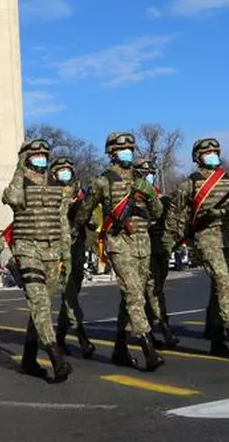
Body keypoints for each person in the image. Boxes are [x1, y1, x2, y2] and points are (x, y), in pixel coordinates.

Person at [76, 133, 164, 371]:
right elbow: (85, 211)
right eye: (122, 148)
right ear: (112, 152)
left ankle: (119, 349)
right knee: (134, 294)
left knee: (132, 298)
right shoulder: (103, 181)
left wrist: (147, 193)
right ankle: (148, 348)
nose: (128, 152)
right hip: (119, 244)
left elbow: (157, 212)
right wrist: (84, 229)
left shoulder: (141, 181)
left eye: (130, 148)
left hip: (142, 244)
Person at [167, 138, 229, 359]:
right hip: (207, 239)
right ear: (198, 157)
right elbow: (175, 213)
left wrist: (223, 212)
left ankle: (216, 339)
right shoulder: (191, 184)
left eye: (215, 152)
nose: (213, 155)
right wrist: (178, 238)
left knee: (224, 287)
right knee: (223, 282)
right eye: (208, 153)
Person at [3, 138, 72, 382]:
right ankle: (56, 356)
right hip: (27, 248)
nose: (41, 157)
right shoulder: (19, 183)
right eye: (35, 154)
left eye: (45, 154)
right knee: (40, 302)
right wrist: (19, 169)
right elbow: (12, 198)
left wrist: (66, 254)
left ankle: (28, 360)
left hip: (52, 251)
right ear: (25, 157)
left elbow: (62, 220)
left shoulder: (56, 184)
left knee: (41, 307)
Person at [52, 157, 96, 360]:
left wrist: (84, 210)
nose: (65, 173)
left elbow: (93, 222)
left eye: (68, 170)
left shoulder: (79, 194)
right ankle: (82, 337)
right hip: (60, 251)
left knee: (71, 295)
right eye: (61, 170)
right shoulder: (49, 196)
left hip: (77, 248)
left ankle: (59, 338)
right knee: (69, 294)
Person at [135, 160, 179, 349]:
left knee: (154, 289)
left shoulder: (159, 196)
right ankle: (163, 328)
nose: (150, 176)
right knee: (153, 291)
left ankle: (148, 330)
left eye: (151, 173)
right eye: (146, 173)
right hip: (143, 248)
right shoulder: (135, 197)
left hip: (160, 247)